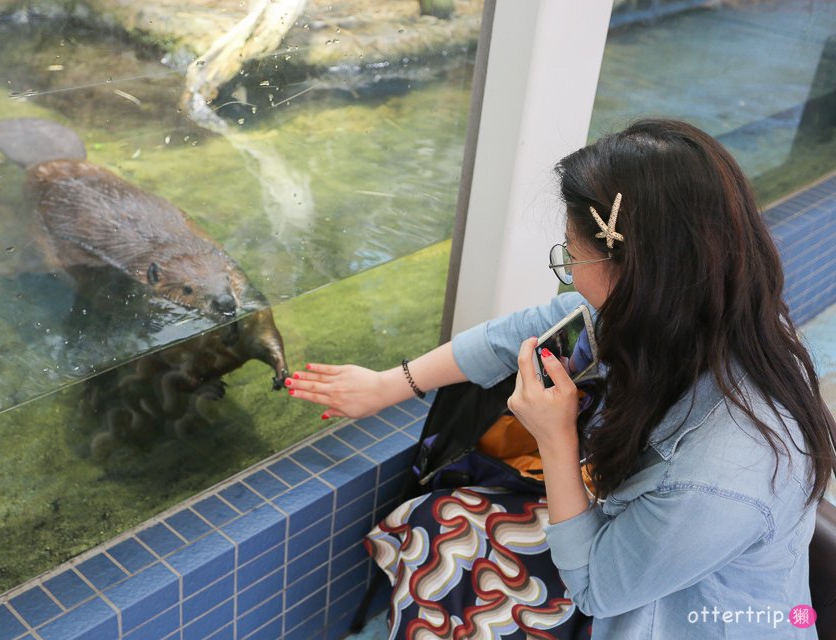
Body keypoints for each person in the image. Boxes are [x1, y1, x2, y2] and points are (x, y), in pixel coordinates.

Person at [285, 119, 836, 638]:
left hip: (677, 618)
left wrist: (555, 436)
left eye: (570, 256)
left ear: (634, 274)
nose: (570, 275)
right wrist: (389, 385)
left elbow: (598, 587)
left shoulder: (719, 477)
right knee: (438, 521)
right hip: (643, 565)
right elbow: (523, 332)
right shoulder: (703, 310)